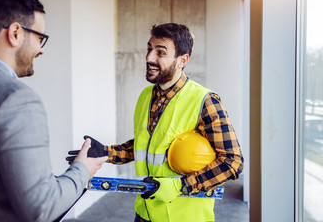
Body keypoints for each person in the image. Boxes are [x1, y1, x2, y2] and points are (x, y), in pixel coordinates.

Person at [67, 23, 244, 221]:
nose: (149, 58)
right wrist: (107, 153)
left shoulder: (204, 101)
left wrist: (180, 185)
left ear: (182, 60)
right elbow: (147, 146)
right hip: (145, 212)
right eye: (149, 49)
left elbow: (233, 162)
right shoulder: (146, 96)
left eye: (160, 52)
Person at [0, 0, 107, 222]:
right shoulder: (16, 100)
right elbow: (42, 208)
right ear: (16, 33)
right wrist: (83, 170)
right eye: (40, 38)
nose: (41, 50)